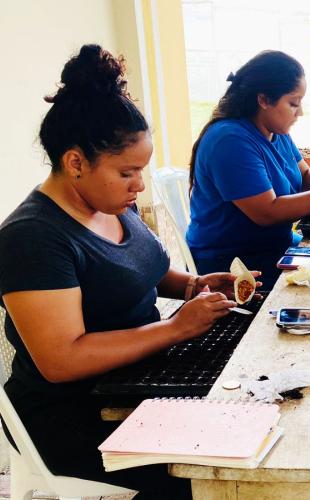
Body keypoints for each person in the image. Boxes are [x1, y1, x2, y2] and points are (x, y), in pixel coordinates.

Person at [0, 45, 255, 499]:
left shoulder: (110, 203)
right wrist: (175, 328)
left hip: (138, 379)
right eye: (127, 172)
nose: (139, 184)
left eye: (142, 170)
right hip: (76, 413)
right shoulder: (32, 237)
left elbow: (146, 270)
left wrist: (193, 285)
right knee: (209, 473)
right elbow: (62, 360)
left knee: (256, 409)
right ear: (75, 162)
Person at [187, 50, 310, 288]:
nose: (300, 112)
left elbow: (305, 176)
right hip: (236, 265)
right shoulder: (230, 140)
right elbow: (268, 212)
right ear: (264, 100)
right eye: (293, 103)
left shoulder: (275, 131)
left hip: (277, 245)